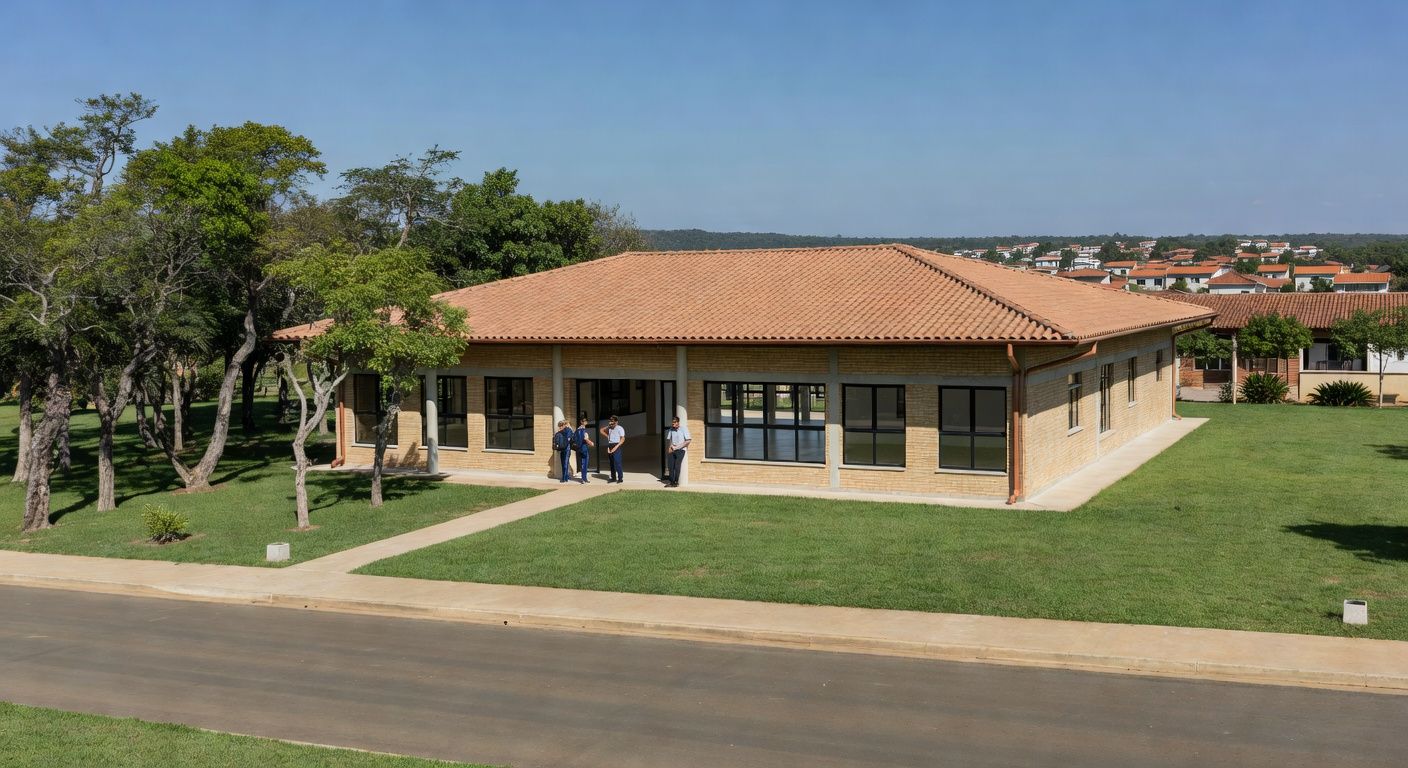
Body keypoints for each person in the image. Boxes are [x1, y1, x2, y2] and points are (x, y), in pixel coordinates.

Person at [664, 415, 691, 487]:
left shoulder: (684, 429)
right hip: (672, 450)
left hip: (681, 450)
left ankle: (676, 482)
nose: (673, 424)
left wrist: (677, 447)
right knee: (670, 466)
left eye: (674, 422)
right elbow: (668, 439)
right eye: (672, 423)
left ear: (678, 423)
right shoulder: (671, 429)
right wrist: (669, 447)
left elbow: (688, 441)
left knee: (677, 466)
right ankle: (671, 482)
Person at [599, 415, 625, 483]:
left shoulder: (620, 428)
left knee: (617, 462)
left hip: (617, 445)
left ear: (616, 422)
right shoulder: (609, 428)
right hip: (610, 445)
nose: (611, 422)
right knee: (611, 463)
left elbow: (622, 439)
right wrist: (607, 435)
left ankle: (620, 478)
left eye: (612, 421)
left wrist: (616, 447)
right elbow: (601, 430)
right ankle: (613, 477)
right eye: (610, 421)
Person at [573, 416, 595, 483]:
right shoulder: (583, 430)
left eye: (586, 420)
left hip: (579, 449)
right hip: (584, 448)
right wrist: (591, 443)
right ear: (581, 422)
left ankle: (584, 478)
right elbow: (585, 439)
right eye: (584, 421)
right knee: (584, 464)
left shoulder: (577, 430)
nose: (586, 422)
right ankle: (584, 479)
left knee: (583, 464)